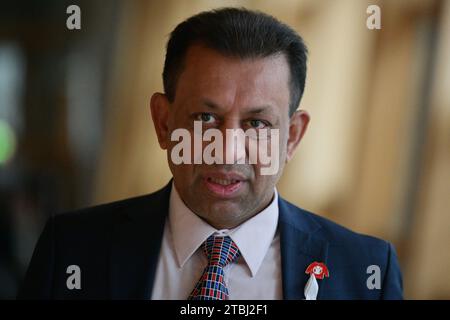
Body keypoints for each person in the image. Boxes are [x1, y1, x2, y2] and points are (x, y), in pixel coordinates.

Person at [18, 7, 403, 300]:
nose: (228, 149)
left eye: (257, 124)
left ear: (292, 137)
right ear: (164, 123)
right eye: (205, 117)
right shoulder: (71, 249)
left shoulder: (367, 272)